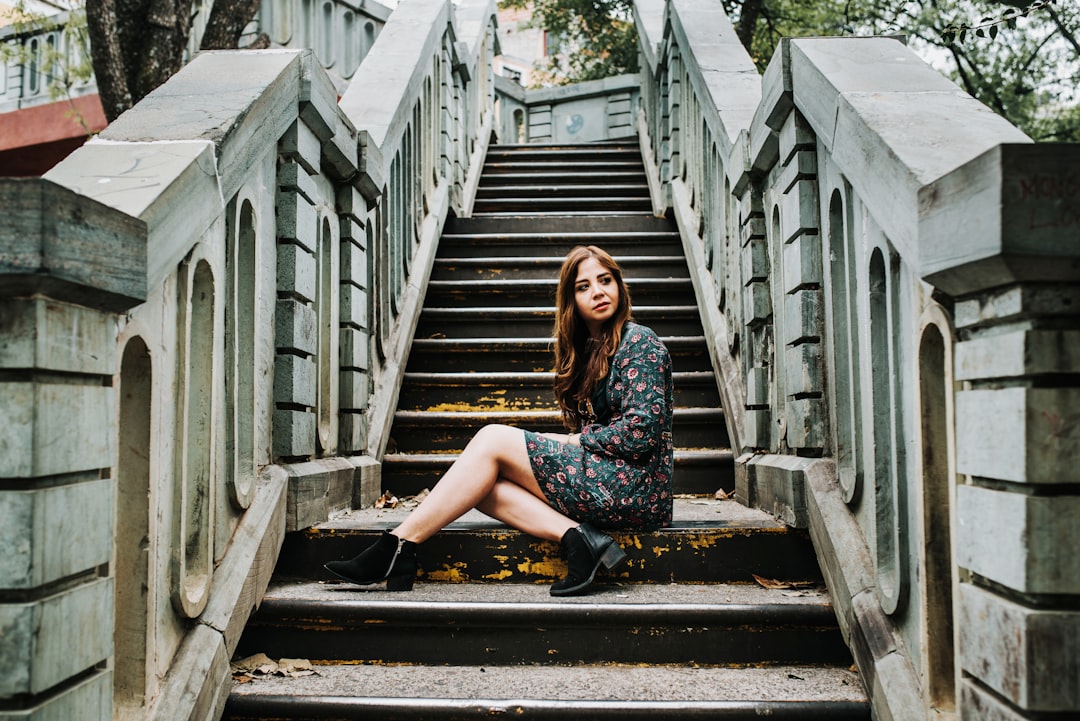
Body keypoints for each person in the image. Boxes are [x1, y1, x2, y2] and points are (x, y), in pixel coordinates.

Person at [325, 245, 674, 596]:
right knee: (479, 485)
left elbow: (641, 431)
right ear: (571, 300)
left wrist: (571, 442)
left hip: (635, 488)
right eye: (584, 286)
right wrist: (572, 442)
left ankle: (396, 546)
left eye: (605, 280)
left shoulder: (639, 342)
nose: (598, 291)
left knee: (492, 439)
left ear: (619, 285)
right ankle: (581, 539)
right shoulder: (588, 351)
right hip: (608, 479)